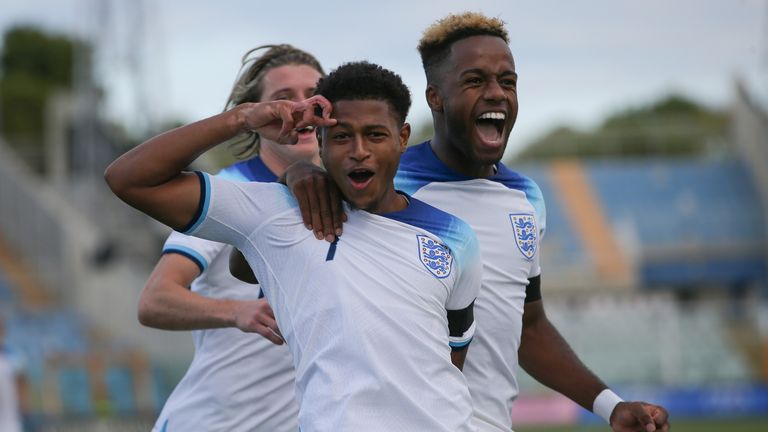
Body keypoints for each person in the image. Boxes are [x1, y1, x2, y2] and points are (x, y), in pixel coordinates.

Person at [282, 12, 671, 432]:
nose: (496, 94)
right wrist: (294, 174)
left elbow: (529, 326)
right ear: (435, 97)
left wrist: (609, 405)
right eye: (474, 81)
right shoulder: (376, 182)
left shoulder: (526, 199)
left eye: (507, 81)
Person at [105, 61, 482, 432]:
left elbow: (448, 361)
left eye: (376, 135)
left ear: (402, 138)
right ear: (318, 137)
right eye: (341, 136)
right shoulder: (272, 212)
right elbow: (129, 180)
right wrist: (242, 118)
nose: (359, 150)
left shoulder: (456, 237)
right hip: (212, 419)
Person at [139, 44, 324, 432]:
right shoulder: (230, 191)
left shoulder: (353, 198)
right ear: (259, 115)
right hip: (209, 423)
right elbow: (154, 300)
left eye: (313, 92)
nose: (301, 107)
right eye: (284, 98)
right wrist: (235, 312)